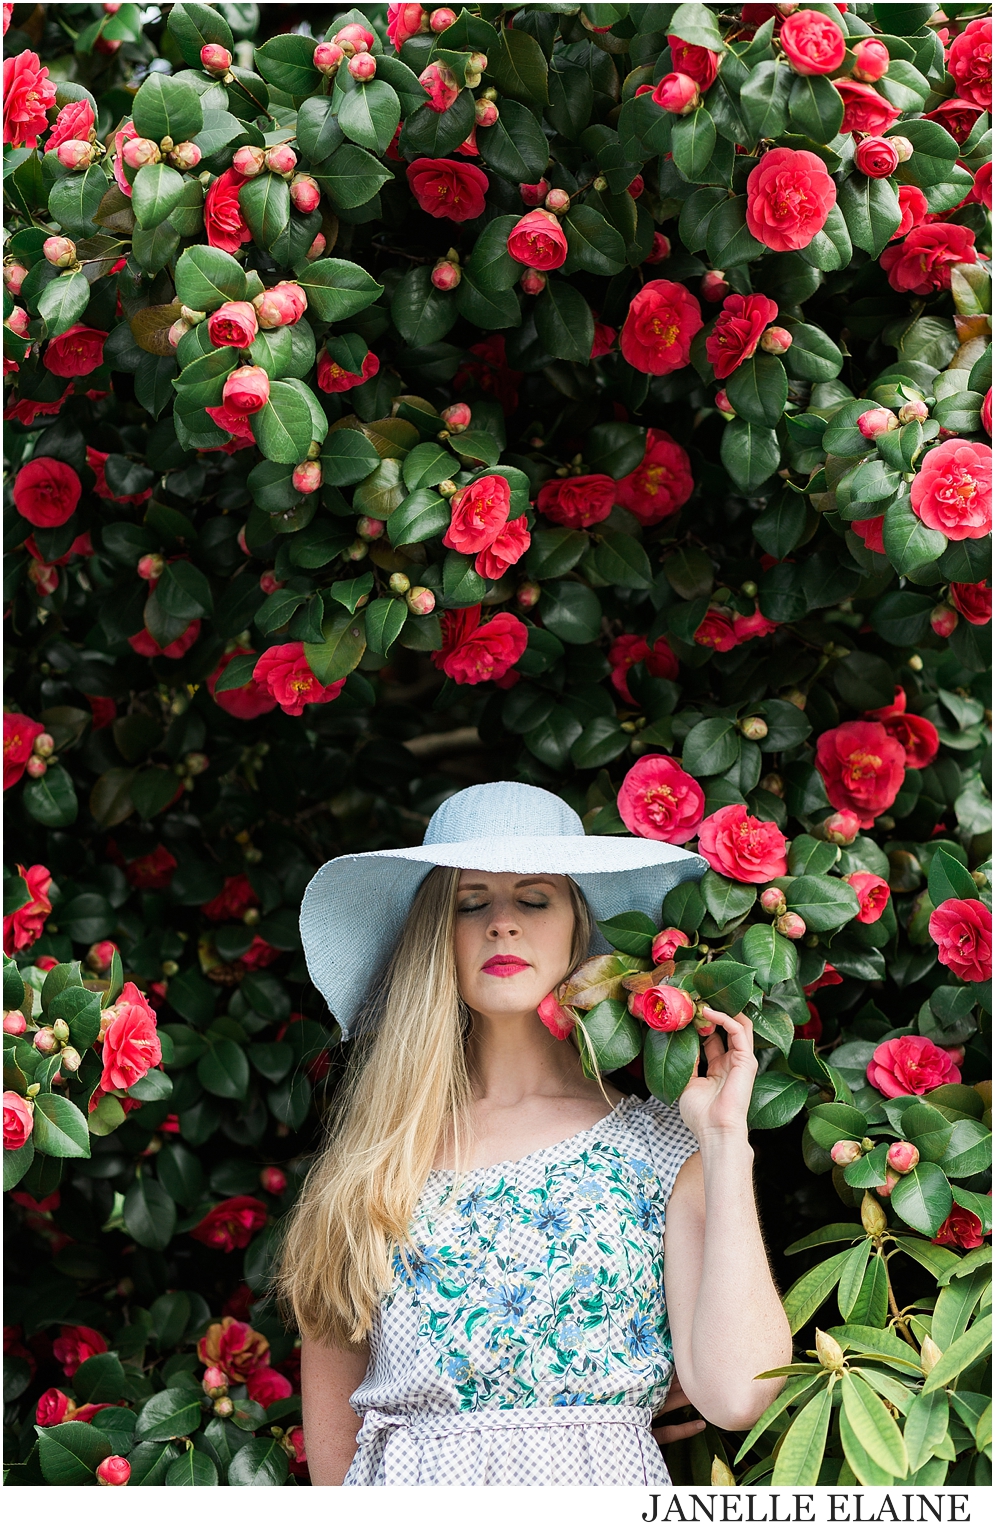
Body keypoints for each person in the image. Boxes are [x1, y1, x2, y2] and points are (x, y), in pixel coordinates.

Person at [280, 781, 792, 1486]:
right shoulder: (371, 1166)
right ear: (438, 936)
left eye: (532, 897)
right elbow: (335, 1464)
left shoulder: (658, 1149)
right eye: (470, 903)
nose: (501, 924)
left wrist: (725, 1141)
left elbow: (738, 1395)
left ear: (580, 926)